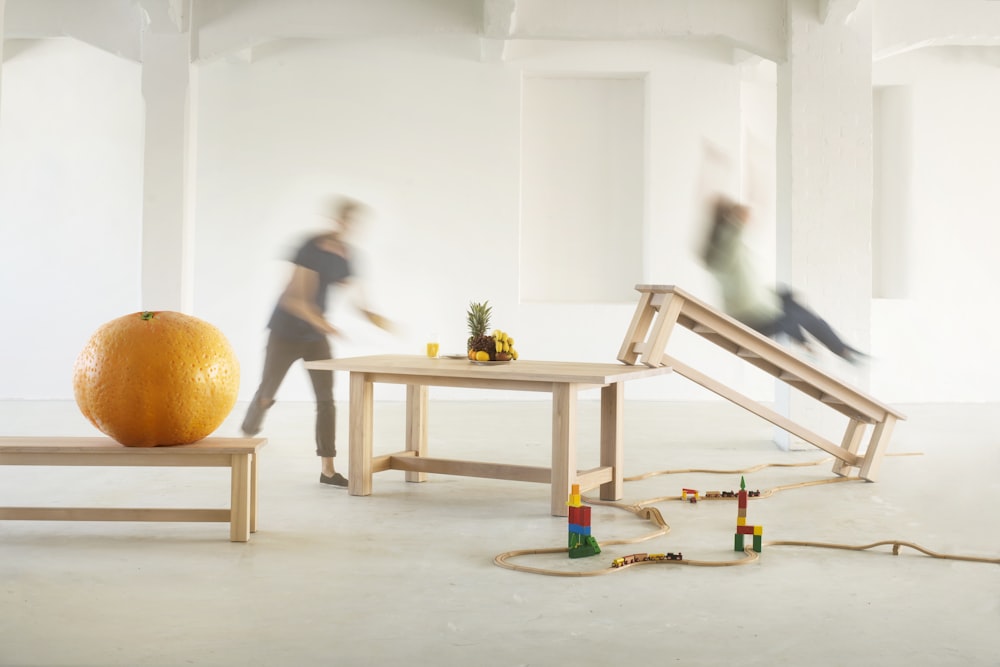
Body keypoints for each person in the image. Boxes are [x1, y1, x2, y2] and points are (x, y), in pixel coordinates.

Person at [241, 197, 391, 487]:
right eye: (347, 220)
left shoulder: (347, 256)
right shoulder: (310, 246)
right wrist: (324, 324)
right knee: (267, 390)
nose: (350, 227)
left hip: (315, 337)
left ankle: (328, 470)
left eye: (356, 223)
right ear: (337, 220)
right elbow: (295, 298)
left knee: (326, 400)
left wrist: (377, 319)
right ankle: (253, 422)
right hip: (285, 331)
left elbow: (358, 301)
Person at [700, 194, 866, 364]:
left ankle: (820, 347)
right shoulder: (728, 242)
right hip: (753, 317)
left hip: (749, 308)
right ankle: (830, 348)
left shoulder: (715, 246)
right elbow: (744, 215)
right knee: (798, 315)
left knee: (792, 302)